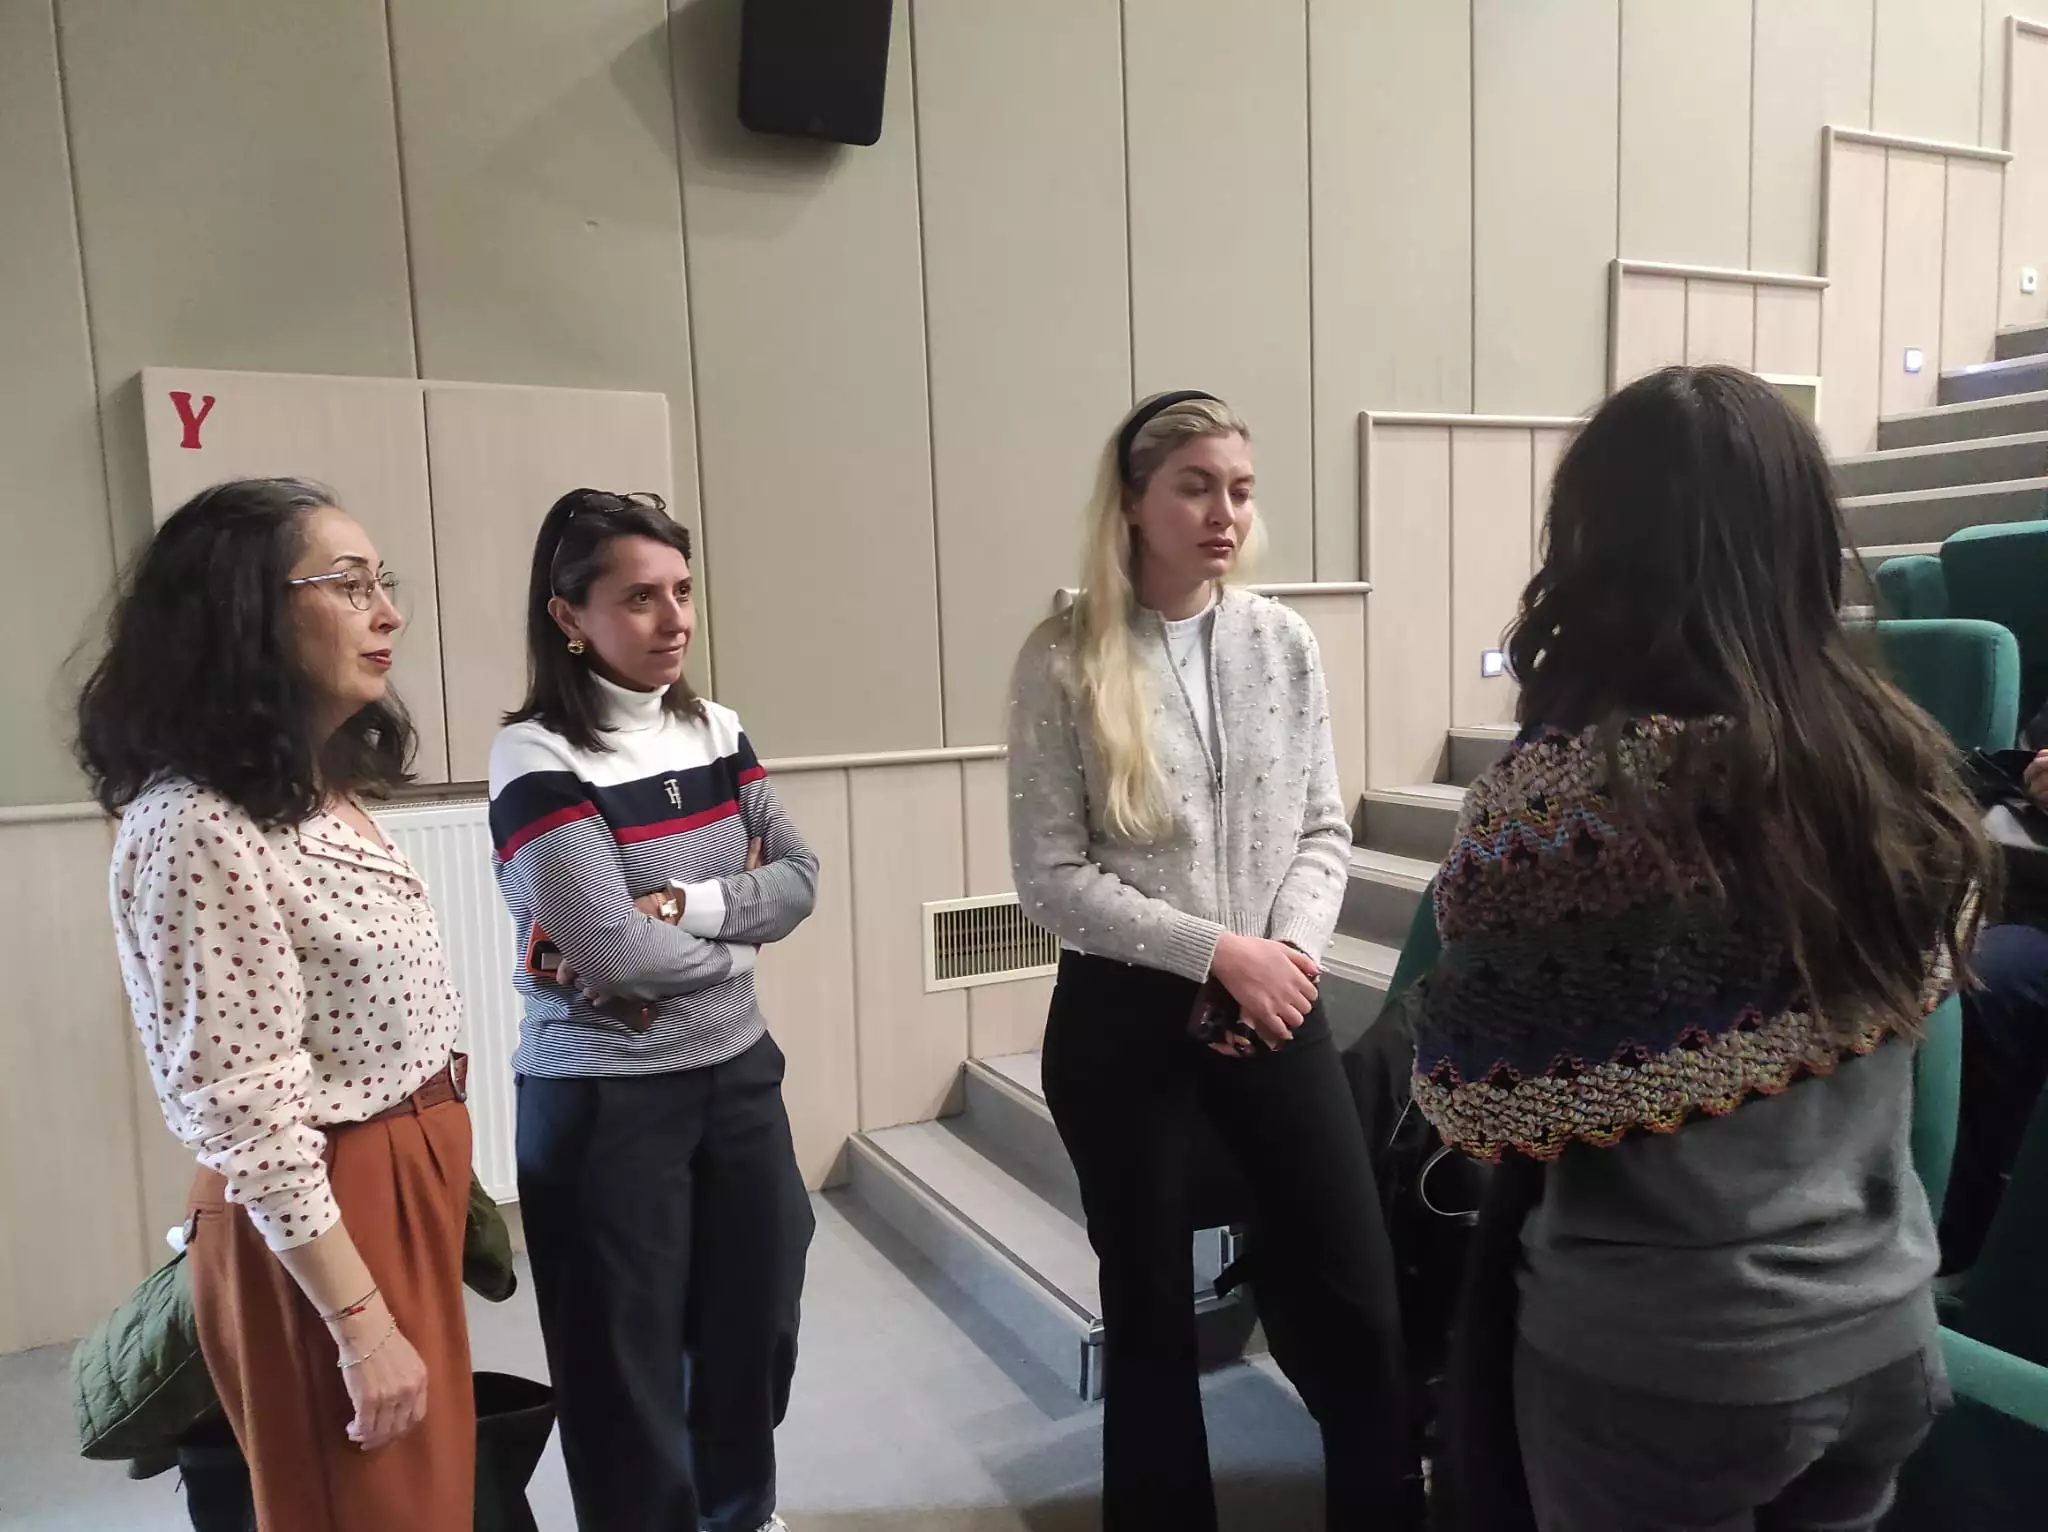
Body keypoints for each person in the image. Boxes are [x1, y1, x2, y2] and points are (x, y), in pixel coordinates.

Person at [1413, 365, 1992, 1532]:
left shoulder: (1556, 807)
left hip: (1660, 1369)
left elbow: (1477, 1107)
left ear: (1592, 542)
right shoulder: (1897, 758)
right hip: (1881, 1326)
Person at [1007, 392, 1422, 1531]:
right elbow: (1050, 878)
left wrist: (1283, 954)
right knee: (1149, 1318)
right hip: (1124, 1026)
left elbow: (1323, 829)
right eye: (1193, 486)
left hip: (1273, 1005)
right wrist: (1218, 951)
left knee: (1358, 1290)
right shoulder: (1061, 659)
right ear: (1133, 502)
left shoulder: (1282, 642)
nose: (1223, 511)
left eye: (1238, 488)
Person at [78, 478, 473, 1531]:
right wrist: (359, 1322)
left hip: (400, 1175)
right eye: (349, 585)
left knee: (425, 1500)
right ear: (242, 611)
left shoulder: (311, 787)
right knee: (367, 1508)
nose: (388, 612)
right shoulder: (194, 824)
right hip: (329, 1202)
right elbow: (243, 1110)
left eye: (384, 582)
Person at [489, 489, 817, 1532]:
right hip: (605, 1096)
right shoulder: (535, 754)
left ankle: (738, 1511)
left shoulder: (717, 729)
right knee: (621, 1363)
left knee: (756, 1317)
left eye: (681, 590)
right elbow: (609, 950)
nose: (673, 619)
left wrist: (681, 909)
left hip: (737, 1072)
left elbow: (800, 878)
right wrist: (732, 936)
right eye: (638, 598)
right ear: (568, 615)